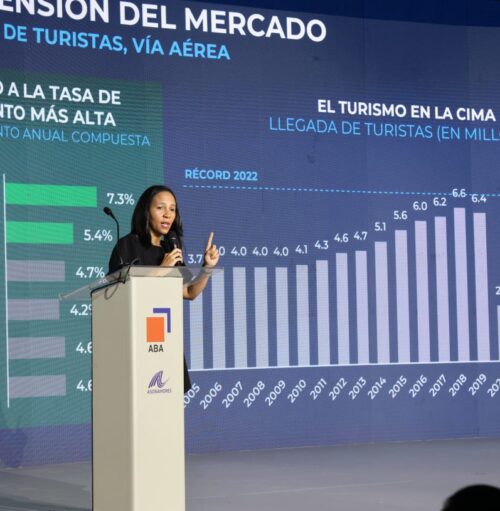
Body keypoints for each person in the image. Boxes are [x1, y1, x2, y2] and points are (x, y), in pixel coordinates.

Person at [108, 184, 219, 392]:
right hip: (136, 344)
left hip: (165, 342)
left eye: (172, 209)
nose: (168, 214)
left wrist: (207, 268)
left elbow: (189, 292)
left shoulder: (171, 249)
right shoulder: (128, 245)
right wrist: (162, 269)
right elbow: (122, 293)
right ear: (146, 211)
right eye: (160, 208)